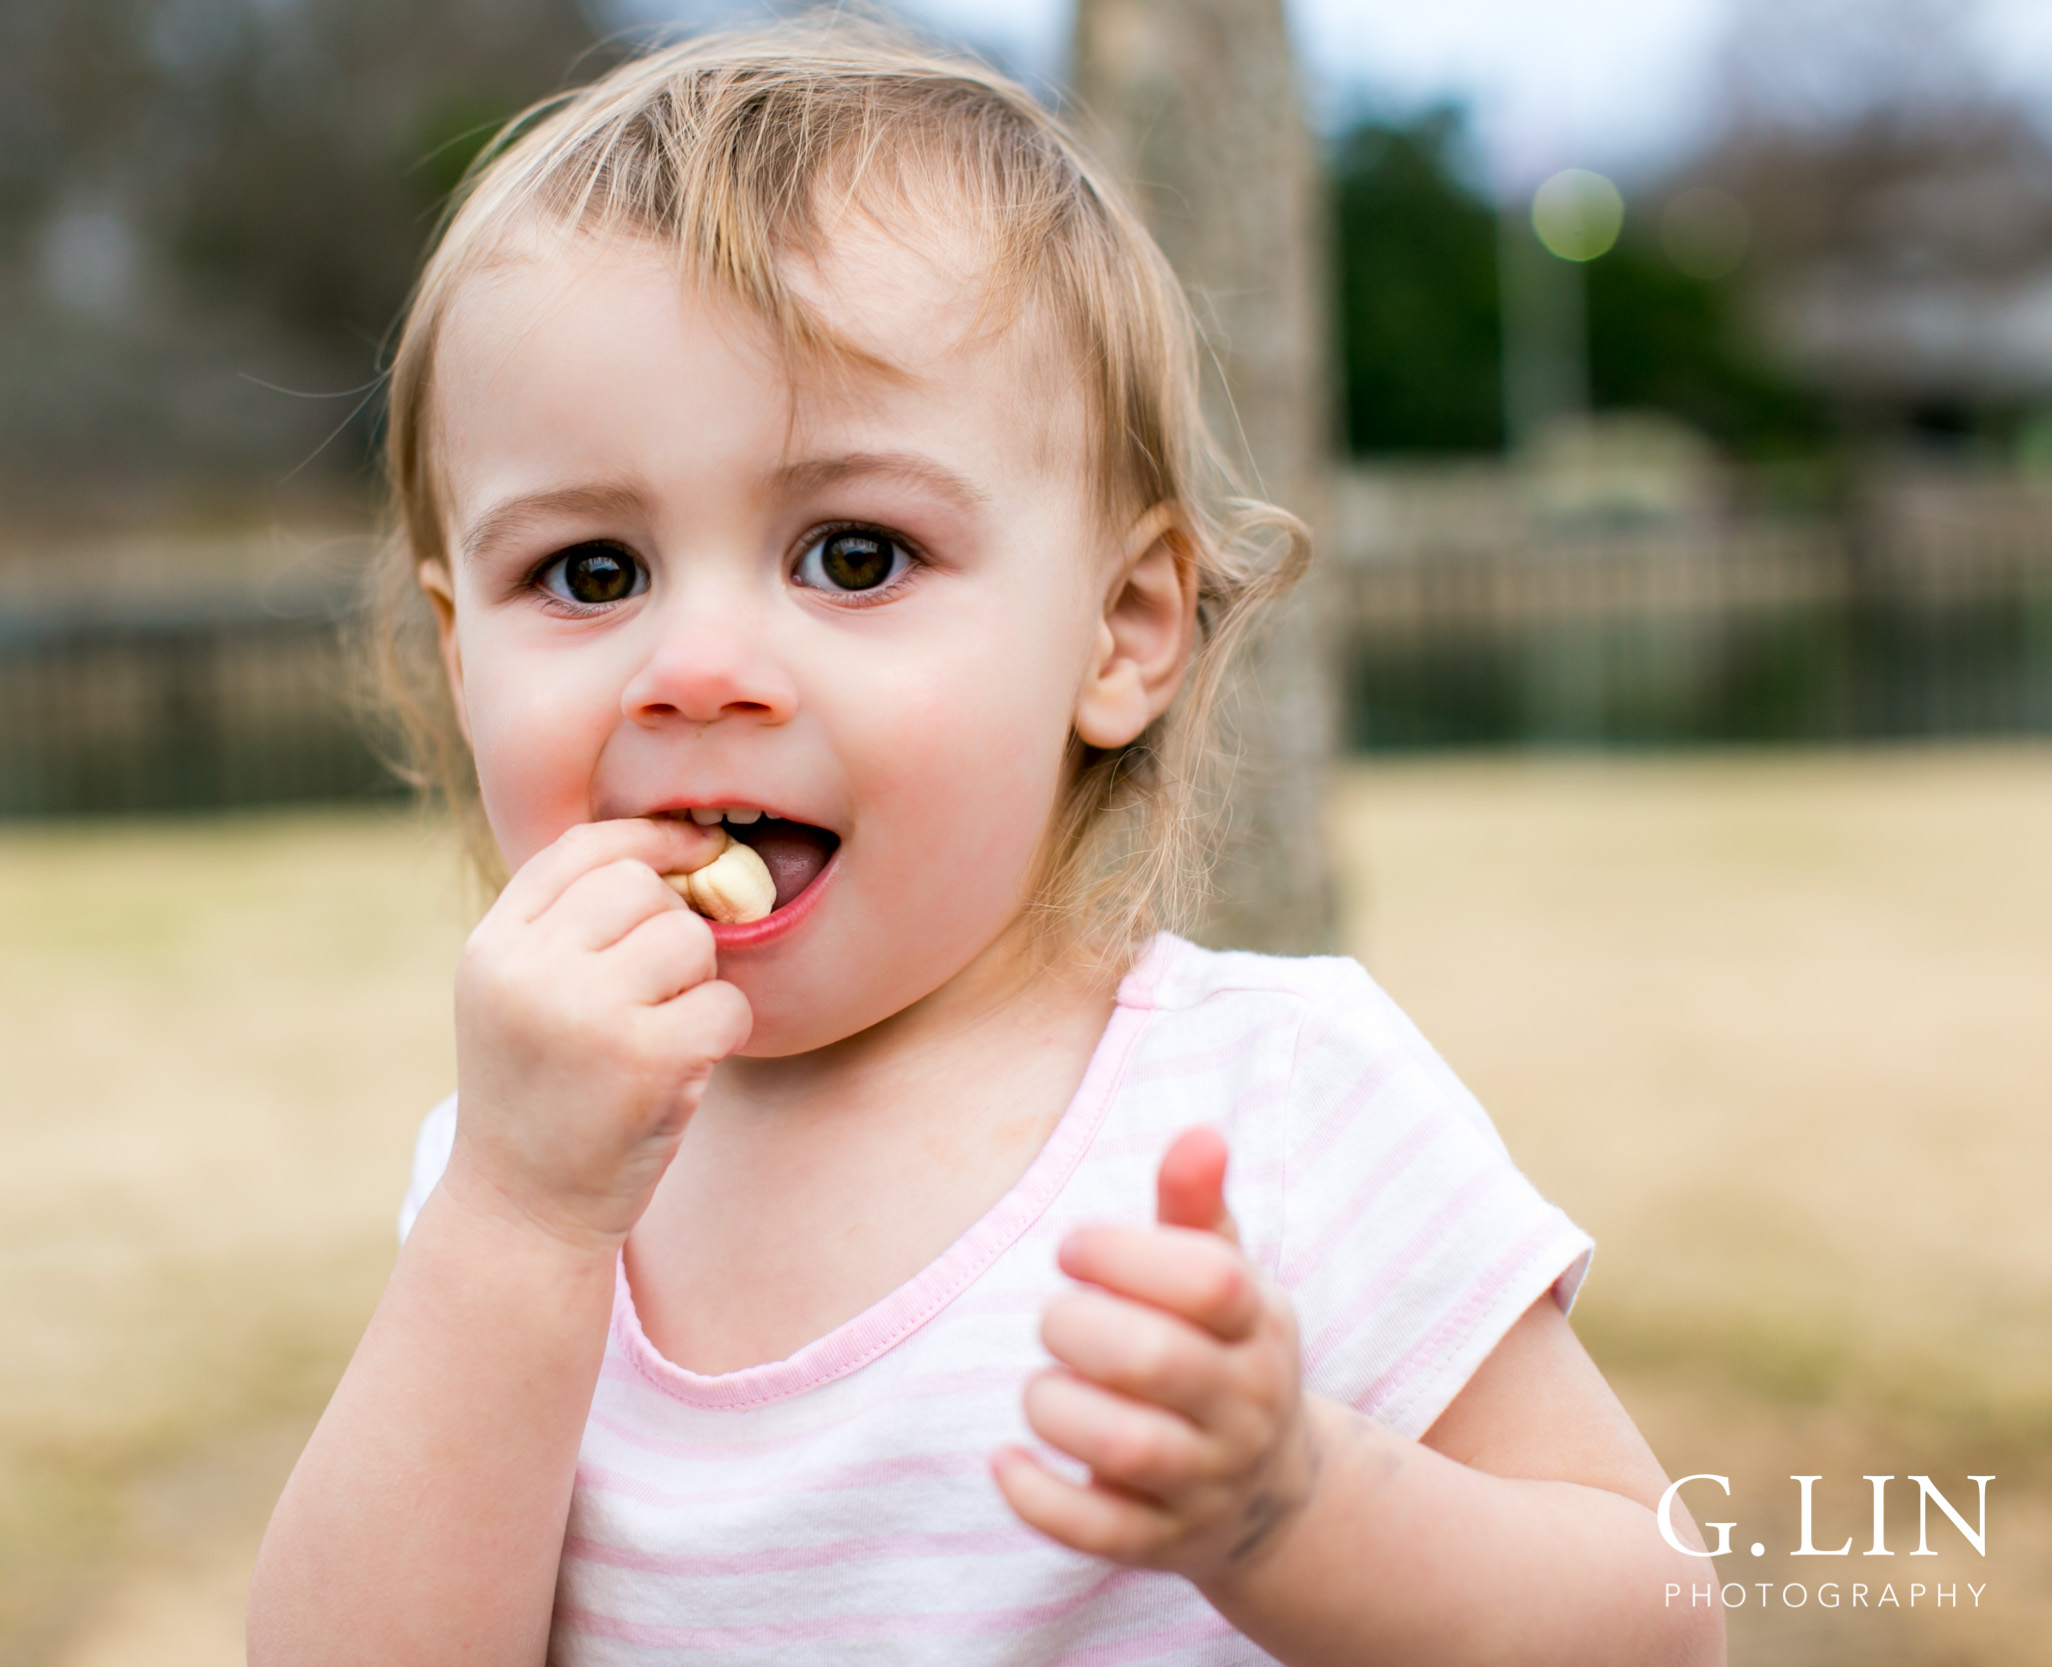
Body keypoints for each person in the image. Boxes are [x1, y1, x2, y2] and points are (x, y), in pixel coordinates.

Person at [249, 20, 1720, 1666]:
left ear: (1121, 630)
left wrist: (1294, 1508)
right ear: (463, 654)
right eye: (592, 574)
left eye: (856, 553)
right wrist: (515, 1228)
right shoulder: (514, 1172)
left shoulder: (1272, 1107)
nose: (698, 670)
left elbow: (1653, 1624)